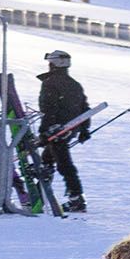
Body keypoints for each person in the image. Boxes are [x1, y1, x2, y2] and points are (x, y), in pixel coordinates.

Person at [36, 49, 91, 213]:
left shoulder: (50, 83)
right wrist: (84, 129)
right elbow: (84, 108)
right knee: (47, 160)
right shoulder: (74, 84)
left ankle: (76, 198)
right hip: (69, 129)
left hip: (56, 131)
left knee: (64, 164)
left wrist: (44, 131)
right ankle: (41, 194)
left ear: (54, 63)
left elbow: (49, 109)